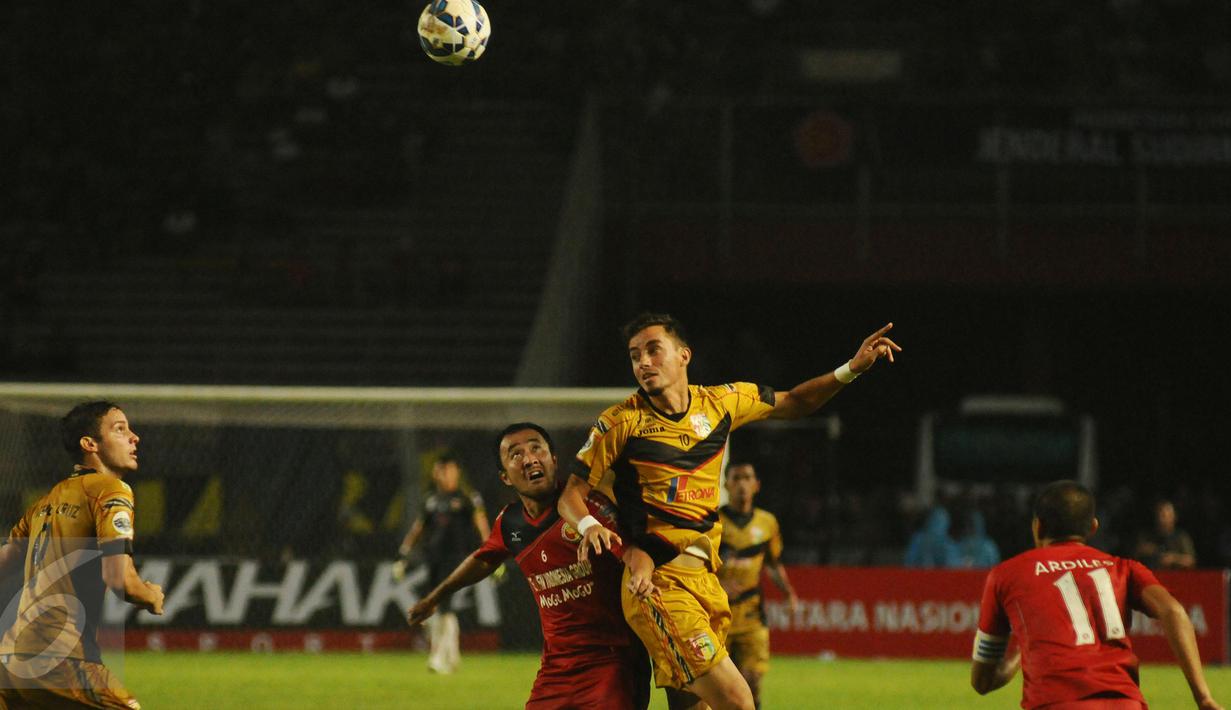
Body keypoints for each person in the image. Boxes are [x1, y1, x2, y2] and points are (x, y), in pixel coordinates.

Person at [560, 312, 900, 710]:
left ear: (684, 355)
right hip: (659, 585)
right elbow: (570, 495)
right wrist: (587, 525)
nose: (643, 362)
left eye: (654, 350)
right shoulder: (620, 422)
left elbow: (794, 401)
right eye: (635, 355)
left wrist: (851, 369)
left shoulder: (721, 402)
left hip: (707, 583)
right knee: (739, 701)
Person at [407, 423, 651, 709]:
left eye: (537, 448)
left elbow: (634, 551)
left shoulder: (588, 508)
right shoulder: (510, 523)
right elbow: (483, 559)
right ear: (505, 477)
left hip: (612, 662)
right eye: (515, 454)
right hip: (555, 671)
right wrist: (435, 597)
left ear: (554, 460)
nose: (530, 458)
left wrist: (642, 573)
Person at [970, 480, 1223, 710]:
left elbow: (982, 681)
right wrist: (1203, 697)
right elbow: (1173, 612)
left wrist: (1018, 654)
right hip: (1126, 704)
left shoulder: (1006, 574)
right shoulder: (1124, 568)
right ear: (1092, 528)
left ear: (1037, 526)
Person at [0, 401, 165, 709]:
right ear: (90, 444)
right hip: (59, 660)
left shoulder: (43, 504)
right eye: (120, 429)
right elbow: (120, 579)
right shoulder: (110, 489)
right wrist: (150, 594)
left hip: (10, 666)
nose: (134, 437)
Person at [394, 454, 490, 674]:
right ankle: (453, 656)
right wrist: (403, 553)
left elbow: (481, 525)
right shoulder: (431, 500)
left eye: (447, 470)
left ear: (455, 472)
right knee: (441, 609)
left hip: (456, 559)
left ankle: (437, 658)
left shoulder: (467, 498)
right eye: (439, 470)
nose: (443, 474)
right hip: (433, 558)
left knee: (442, 607)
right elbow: (418, 529)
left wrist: (490, 552)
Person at [716, 462, 798, 710]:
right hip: (719, 613)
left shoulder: (767, 523)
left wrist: (788, 593)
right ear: (727, 485)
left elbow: (772, 563)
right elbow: (697, 564)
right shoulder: (713, 522)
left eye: (747, 478)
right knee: (722, 687)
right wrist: (719, 583)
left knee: (752, 679)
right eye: (736, 478)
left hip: (752, 613)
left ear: (756, 485)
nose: (742, 484)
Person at [1132, 499, 1197, 570]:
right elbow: (1134, 558)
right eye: (1159, 515)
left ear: (1174, 517)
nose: (1161, 519)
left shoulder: (1181, 537)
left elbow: (1191, 561)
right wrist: (1144, 551)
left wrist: (1173, 559)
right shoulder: (1147, 536)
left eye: (1165, 515)